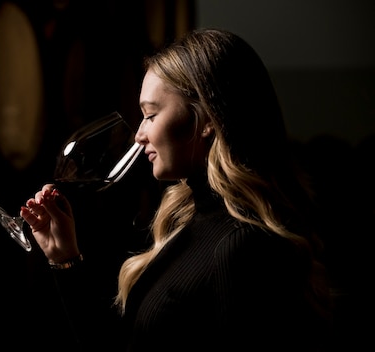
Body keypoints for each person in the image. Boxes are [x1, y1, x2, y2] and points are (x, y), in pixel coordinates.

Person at [19, 28, 333, 351]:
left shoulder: (241, 247)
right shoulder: (190, 221)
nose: (139, 134)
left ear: (208, 118)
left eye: (151, 115)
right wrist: (64, 257)